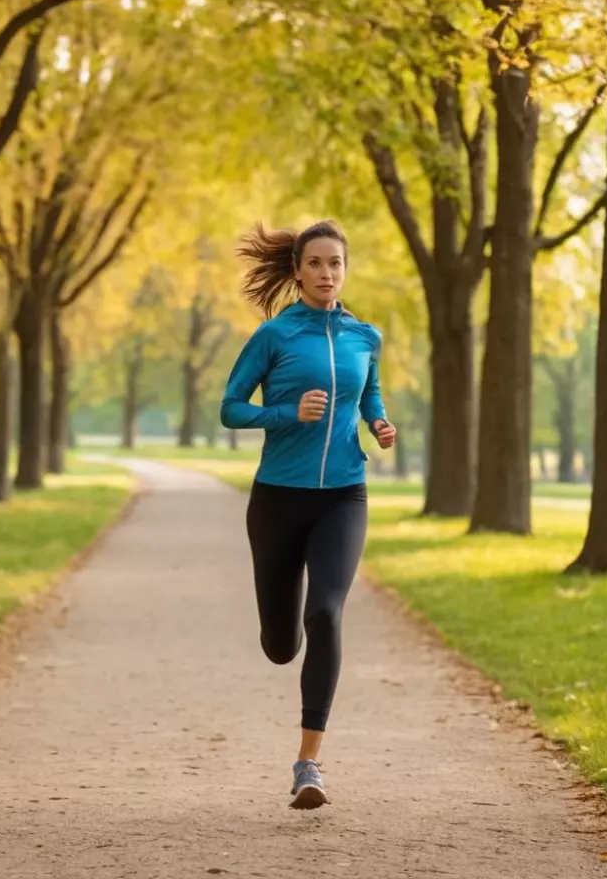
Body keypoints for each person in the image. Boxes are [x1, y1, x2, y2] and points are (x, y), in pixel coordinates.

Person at [219, 219, 396, 811]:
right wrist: (287, 413)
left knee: (326, 610)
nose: (326, 273)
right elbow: (230, 408)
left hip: (343, 496)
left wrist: (378, 422)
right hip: (277, 499)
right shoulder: (273, 336)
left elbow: (368, 392)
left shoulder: (364, 336)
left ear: (345, 270)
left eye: (336, 264)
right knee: (280, 643)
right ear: (297, 271)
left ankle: (308, 762)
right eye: (316, 263)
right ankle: (279, 636)